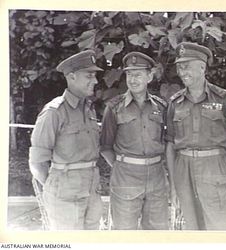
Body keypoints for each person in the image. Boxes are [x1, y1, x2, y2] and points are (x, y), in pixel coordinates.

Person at [166, 42, 226, 230]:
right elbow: (170, 145)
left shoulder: (224, 98)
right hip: (183, 170)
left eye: (186, 66)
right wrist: (173, 184)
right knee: (190, 230)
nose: (182, 71)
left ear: (202, 67)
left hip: (214, 168)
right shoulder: (174, 102)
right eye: (179, 66)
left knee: (221, 229)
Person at [29, 50, 104, 230]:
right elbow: (37, 162)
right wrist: (55, 189)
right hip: (65, 198)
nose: (94, 81)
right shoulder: (54, 112)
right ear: (71, 77)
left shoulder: (88, 109)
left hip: (92, 192)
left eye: (94, 76)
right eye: (89, 76)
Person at [100, 52, 169, 230]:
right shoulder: (114, 108)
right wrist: (121, 166)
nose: (133, 79)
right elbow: (105, 146)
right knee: (124, 233)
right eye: (129, 74)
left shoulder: (161, 107)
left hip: (156, 176)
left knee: (157, 233)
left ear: (149, 76)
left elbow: (167, 142)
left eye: (138, 74)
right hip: (126, 177)